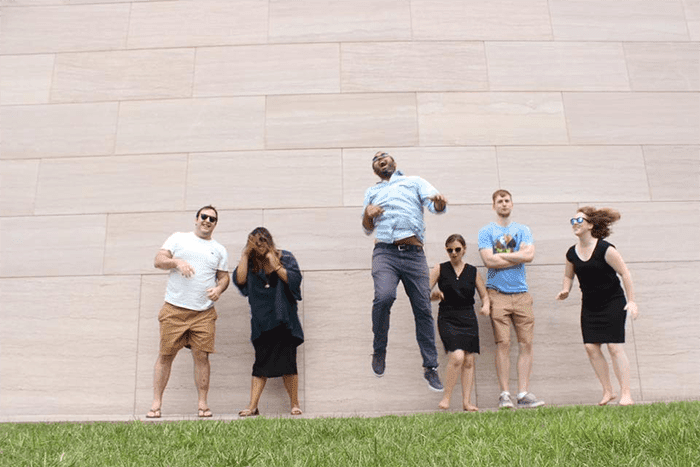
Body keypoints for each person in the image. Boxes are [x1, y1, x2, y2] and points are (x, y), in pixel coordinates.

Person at [362, 151, 448, 392]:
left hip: (413, 254)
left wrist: (439, 205)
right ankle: (379, 350)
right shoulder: (372, 192)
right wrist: (368, 215)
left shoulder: (414, 182)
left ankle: (430, 367)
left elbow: (435, 204)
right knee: (384, 296)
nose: (380, 158)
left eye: (384, 156)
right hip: (385, 253)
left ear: (394, 163)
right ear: (375, 170)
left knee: (422, 307)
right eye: (376, 159)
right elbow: (367, 227)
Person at [147, 206, 230, 419]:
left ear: (215, 223)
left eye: (212, 218)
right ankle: (156, 404)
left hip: (203, 313)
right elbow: (158, 260)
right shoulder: (178, 239)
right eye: (204, 216)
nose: (207, 221)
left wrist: (219, 289)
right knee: (166, 355)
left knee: (202, 356)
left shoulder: (219, 249)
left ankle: (203, 404)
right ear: (196, 219)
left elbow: (224, 277)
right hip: (174, 309)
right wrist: (176, 261)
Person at [556, 207, 639, 406]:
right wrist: (565, 289)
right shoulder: (571, 253)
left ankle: (626, 394)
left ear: (590, 225)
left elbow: (625, 273)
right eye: (573, 220)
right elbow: (569, 275)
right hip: (590, 305)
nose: (575, 223)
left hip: (613, 302)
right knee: (591, 347)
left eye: (580, 220)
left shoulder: (606, 249)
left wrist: (632, 301)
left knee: (614, 346)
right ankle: (607, 391)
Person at [478, 190, 544, 409]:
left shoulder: (523, 230)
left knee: (526, 343)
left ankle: (523, 393)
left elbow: (530, 256)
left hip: (522, 294)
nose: (504, 204)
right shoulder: (486, 231)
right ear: (493, 205)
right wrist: (517, 256)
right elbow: (488, 261)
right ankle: (505, 394)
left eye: (507, 200)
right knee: (503, 343)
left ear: (512, 204)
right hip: (498, 294)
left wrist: (502, 257)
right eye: (499, 201)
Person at [234, 227, 304, 417]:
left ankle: (295, 404)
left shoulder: (284, 256)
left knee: (289, 364)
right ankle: (252, 406)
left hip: (284, 319)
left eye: (263, 239)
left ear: (270, 240)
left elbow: (295, 280)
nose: (260, 244)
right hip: (261, 321)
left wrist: (276, 264)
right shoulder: (249, 261)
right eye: (256, 241)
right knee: (260, 365)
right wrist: (244, 254)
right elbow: (239, 280)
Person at [429, 234, 490, 411]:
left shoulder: (472, 271)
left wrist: (486, 306)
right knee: (457, 356)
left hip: (468, 317)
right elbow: (423, 293)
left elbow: (484, 295)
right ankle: (446, 399)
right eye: (450, 250)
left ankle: (466, 402)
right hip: (448, 317)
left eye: (457, 249)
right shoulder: (440, 268)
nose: (454, 253)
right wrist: (433, 296)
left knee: (469, 360)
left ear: (464, 249)